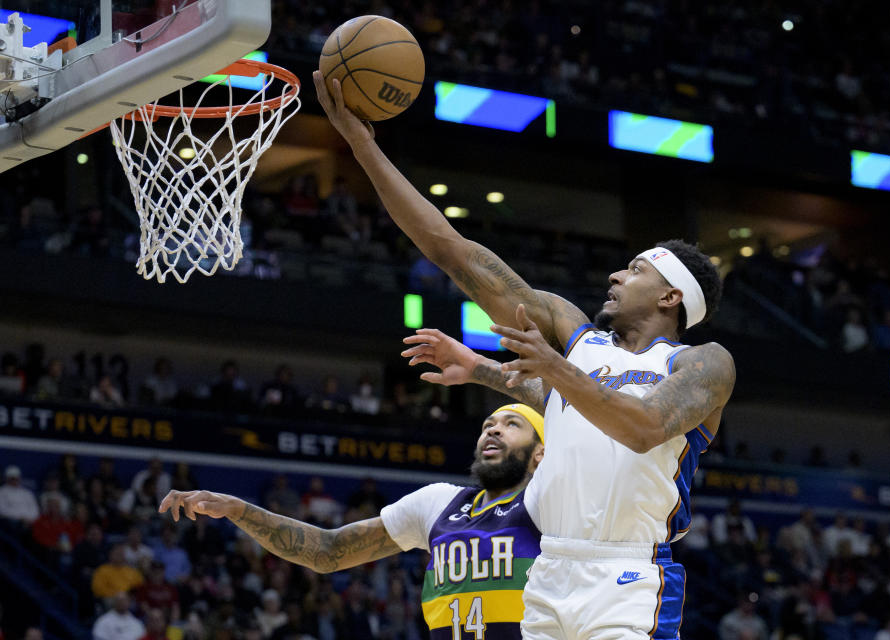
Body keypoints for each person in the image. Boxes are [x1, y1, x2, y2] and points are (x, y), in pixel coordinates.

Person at [312, 71, 733, 639]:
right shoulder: (574, 334)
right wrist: (361, 144)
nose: (615, 273)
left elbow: (642, 426)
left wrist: (554, 366)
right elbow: (454, 253)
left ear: (670, 296)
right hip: (549, 570)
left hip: (628, 575)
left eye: (634, 269)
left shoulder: (703, 363)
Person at [160, 404, 545, 639]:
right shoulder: (438, 502)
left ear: (541, 453)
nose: (492, 429)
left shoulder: (552, 500)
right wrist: (238, 510)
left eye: (512, 424)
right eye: (487, 424)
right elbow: (328, 552)